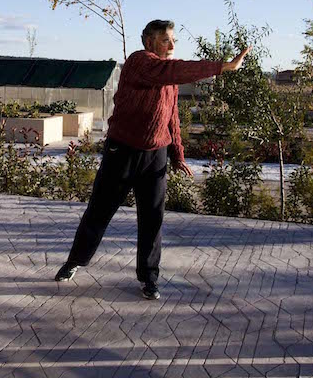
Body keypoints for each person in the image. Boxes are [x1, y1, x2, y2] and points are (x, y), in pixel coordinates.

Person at [54, 19, 250, 300]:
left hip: (155, 155)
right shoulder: (139, 62)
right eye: (165, 40)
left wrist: (177, 154)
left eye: (173, 40)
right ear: (149, 42)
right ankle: (74, 261)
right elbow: (170, 70)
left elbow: (172, 117)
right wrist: (223, 66)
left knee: (152, 219)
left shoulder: (168, 77)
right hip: (122, 151)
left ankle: (149, 277)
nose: (171, 45)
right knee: (99, 212)